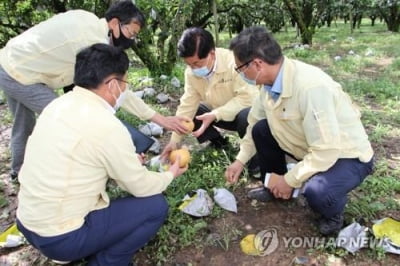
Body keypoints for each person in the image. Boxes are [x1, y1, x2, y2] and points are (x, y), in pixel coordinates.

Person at [16, 43, 187, 265]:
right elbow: (140, 186)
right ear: (114, 85)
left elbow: (79, 158)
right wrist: (170, 174)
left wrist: (123, 163)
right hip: (59, 238)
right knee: (155, 207)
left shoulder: (58, 106)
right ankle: (108, 260)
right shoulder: (107, 126)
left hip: (27, 222)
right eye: (125, 83)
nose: (125, 90)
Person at [0, 0, 188, 181]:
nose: (131, 40)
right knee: (69, 119)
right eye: (131, 33)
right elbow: (118, 89)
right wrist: (160, 119)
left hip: (11, 60)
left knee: (23, 125)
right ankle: (78, 173)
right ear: (115, 23)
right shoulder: (92, 43)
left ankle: (19, 173)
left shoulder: (89, 20)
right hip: (20, 72)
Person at [224, 26, 374, 235]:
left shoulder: (311, 87)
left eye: (241, 69)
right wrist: (240, 160)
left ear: (257, 64)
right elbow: (253, 122)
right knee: (261, 129)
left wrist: (290, 180)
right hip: (309, 145)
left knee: (318, 192)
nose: (241, 75)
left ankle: (333, 214)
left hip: (346, 156)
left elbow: (326, 150)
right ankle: (273, 187)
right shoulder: (268, 85)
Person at [161, 27, 259, 173]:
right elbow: (187, 105)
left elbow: (249, 98)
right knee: (193, 113)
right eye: (189, 64)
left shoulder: (234, 62)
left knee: (247, 115)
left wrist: (216, 114)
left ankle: (256, 161)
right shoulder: (191, 73)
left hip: (241, 114)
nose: (194, 68)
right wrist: (174, 141)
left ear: (211, 53)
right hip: (216, 114)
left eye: (197, 64)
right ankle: (219, 142)